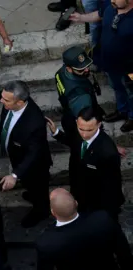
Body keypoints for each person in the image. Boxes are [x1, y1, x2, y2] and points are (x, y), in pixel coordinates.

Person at [0, 81, 52, 227]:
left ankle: (41, 210)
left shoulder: (35, 123)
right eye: (2, 97)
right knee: (29, 186)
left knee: (37, 187)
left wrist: (14, 175)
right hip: (17, 155)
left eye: (6, 100)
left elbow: (33, 154)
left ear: (20, 102)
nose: (2, 101)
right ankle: (33, 195)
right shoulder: (11, 100)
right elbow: (0, 96)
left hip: (34, 165)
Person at [46, 106, 124, 220]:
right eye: (81, 129)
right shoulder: (79, 130)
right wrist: (56, 132)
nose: (84, 134)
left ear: (98, 125)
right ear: (77, 122)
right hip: (79, 187)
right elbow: (72, 141)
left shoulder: (108, 152)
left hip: (96, 197)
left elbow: (111, 185)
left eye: (89, 130)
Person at [69, 0, 133, 132]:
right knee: (117, 88)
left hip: (129, 68)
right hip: (110, 64)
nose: (112, 0)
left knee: (131, 93)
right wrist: (81, 18)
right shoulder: (111, 6)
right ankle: (122, 110)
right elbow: (98, 14)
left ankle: (132, 117)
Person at [36, 188, 133, 270]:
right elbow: (123, 252)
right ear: (76, 203)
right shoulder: (103, 219)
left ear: (53, 212)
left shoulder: (46, 242)